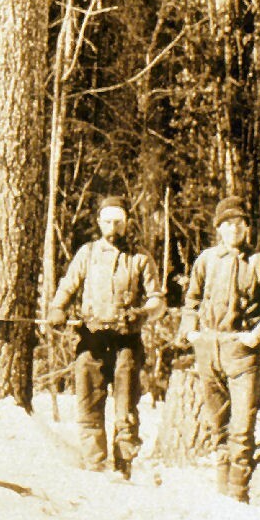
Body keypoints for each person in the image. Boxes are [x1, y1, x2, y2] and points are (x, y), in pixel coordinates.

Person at [45, 195, 163, 477]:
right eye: (108, 222)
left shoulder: (140, 258)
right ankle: (94, 466)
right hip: (92, 339)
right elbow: (68, 285)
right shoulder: (87, 254)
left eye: (118, 222)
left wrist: (142, 313)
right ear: (99, 222)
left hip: (126, 343)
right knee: (89, 405)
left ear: (127, 223)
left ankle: (123, 467)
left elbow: (158, 300)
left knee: (126, 408)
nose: (113, 228)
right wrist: (57, 308)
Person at [180, 196, 260, 503]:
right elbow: (191, 300)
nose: (233, 230)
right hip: (209, 348)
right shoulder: (206, 260)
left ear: (247, 228)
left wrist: (254, 338)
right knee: (218, 425)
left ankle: (238, 494)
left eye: (239, 224)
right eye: (227, 225)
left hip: (242, 352)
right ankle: (221, 492)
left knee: (241, 428)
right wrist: (192, 333)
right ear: (218, 229)